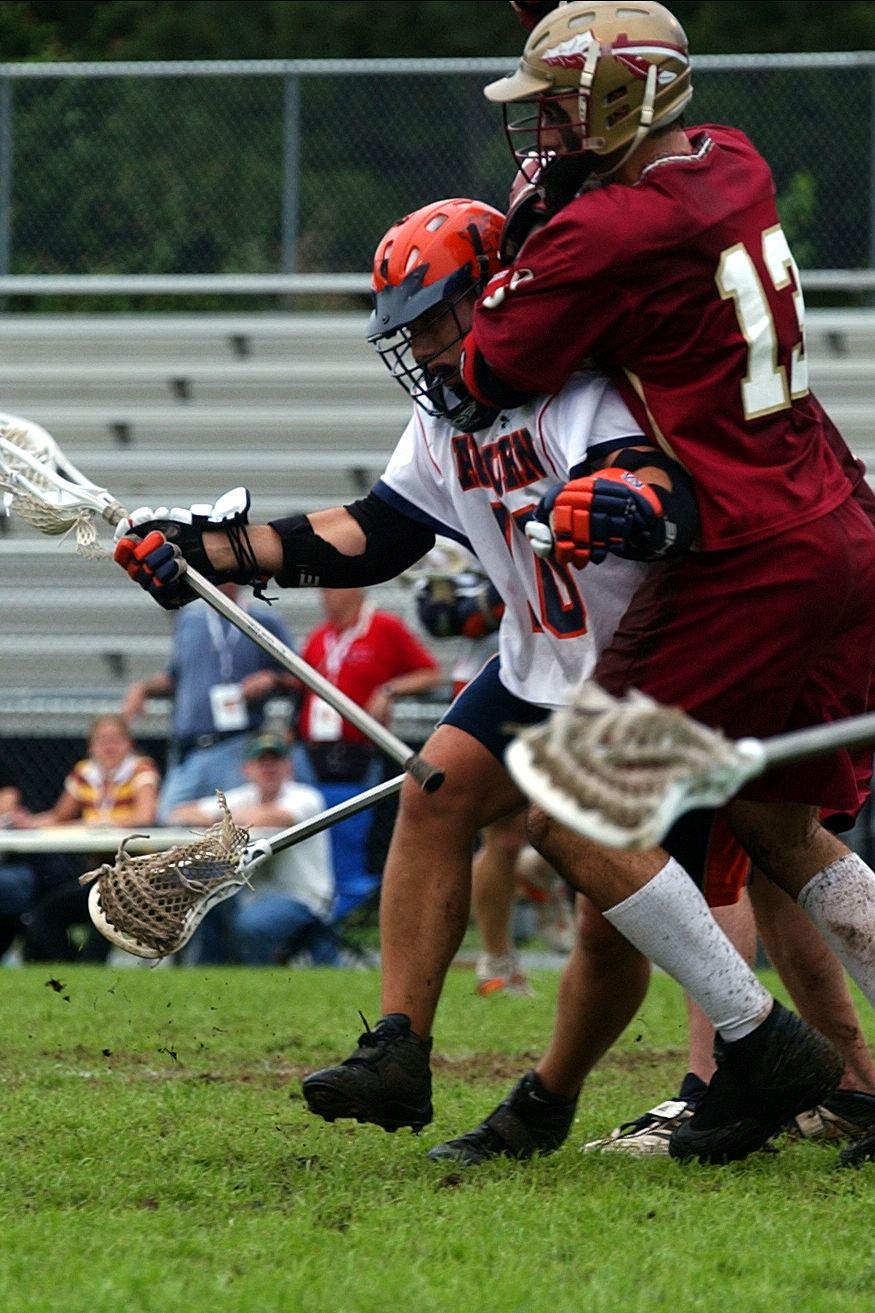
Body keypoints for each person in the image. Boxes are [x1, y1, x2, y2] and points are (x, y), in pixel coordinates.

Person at [111, 196, 846, 1164]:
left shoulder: (583, 389)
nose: (419, 346)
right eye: (406, 328)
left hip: (648, 670)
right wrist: (211, 548)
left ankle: (584, 1094)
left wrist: (623, 501)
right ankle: (397, 1049)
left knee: (613, 917)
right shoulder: (440, 418)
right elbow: (375, 530)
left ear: (499, 295)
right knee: (435, 793)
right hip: (538, 666)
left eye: (433, 319)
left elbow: (663, 490)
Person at [450, 0, 875, 1165]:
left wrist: (534, 229)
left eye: (556, 106)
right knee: (779, 822)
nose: (540, 128)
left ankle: (755, 1042)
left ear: (618, 100)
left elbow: (487, 367)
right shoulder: (730, 157)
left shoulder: (605, 229)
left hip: (749, 549)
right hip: (836, 517)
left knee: (570, 810)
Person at [122, 579, 296, 823]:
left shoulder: (264, 620)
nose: (224, 582)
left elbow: (296, 674)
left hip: (235, 743)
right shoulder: (189, 621)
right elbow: (174, 676)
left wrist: (271, 679)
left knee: (235, 824)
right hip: (191, 747)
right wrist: (143, 688)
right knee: (169, 818)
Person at [169, 731, 338, 965]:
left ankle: (267, 977)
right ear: (247, 769)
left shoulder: (307, 797)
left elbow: (275, 817)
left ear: (288, 767)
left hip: (302, 897)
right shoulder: (244, 797)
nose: (269, 768)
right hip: (251, 897)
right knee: (202, 897)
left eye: (275, 761)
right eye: (261, 762)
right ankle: (210, 973)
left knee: (251, 923)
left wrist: (221, 819)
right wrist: (228, 819)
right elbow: (181, 812)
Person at [8, 714, 159, 961]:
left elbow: (145, 816)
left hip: (136, 876)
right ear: (91, 746)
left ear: (129, 743)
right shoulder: (85, 773)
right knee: (44, 916)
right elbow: (59, 817)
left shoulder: (141, 769)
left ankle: (88, 968)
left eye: (116, 739)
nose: (109, 746)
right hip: (97, 875)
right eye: (102, 740)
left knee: (104, 915)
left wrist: (96, 824)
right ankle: (75, 969)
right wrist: (29, 822)